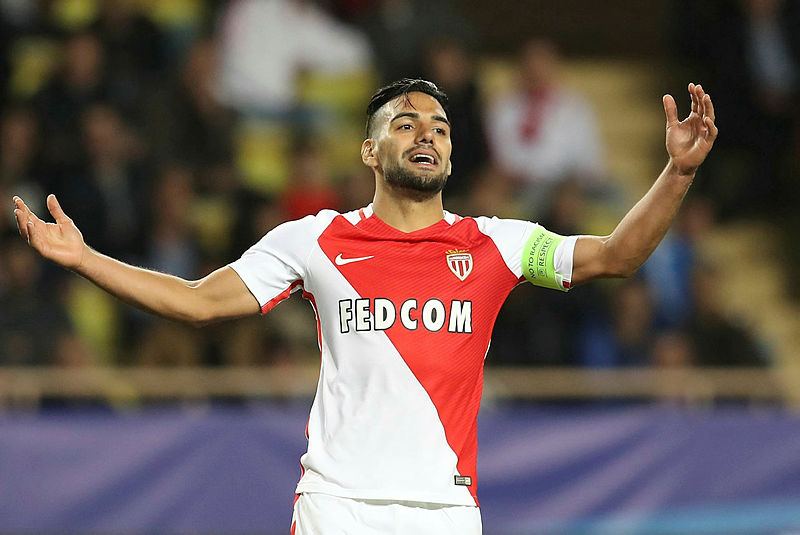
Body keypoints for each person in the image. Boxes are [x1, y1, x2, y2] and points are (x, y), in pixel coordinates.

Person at [12, 78, 717, 534]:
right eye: (406, 124)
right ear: (370, 151)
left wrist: (678, 173)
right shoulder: (314, 238)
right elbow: (198, 302)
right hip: (339, 505)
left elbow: (615, 256)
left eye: (439, 126)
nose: (427, 134)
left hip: (445, 509)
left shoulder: (499, 244)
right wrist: (85, 259)